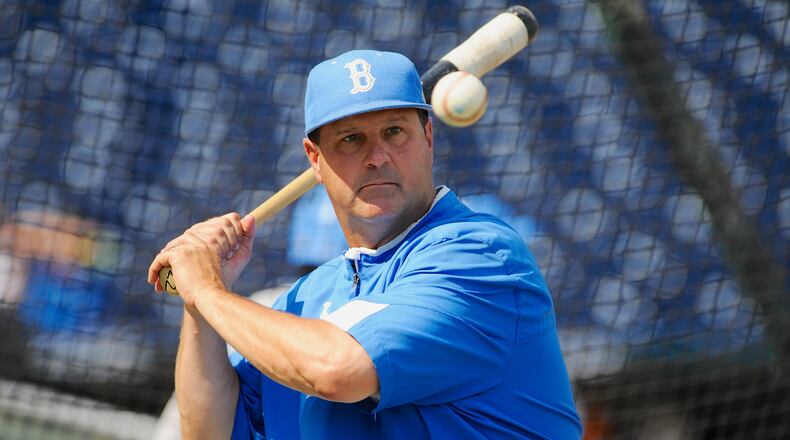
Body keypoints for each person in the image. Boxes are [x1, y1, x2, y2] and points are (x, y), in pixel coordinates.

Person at [148, 50, 582, 439]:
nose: (377, 156)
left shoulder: (478, 256)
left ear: (428, 137)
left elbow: (337, 370)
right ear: (315, 159)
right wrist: (198, 303)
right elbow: (207, 432)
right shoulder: (305, 299)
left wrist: (207, 289)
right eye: (351, 138)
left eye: (394, 131)